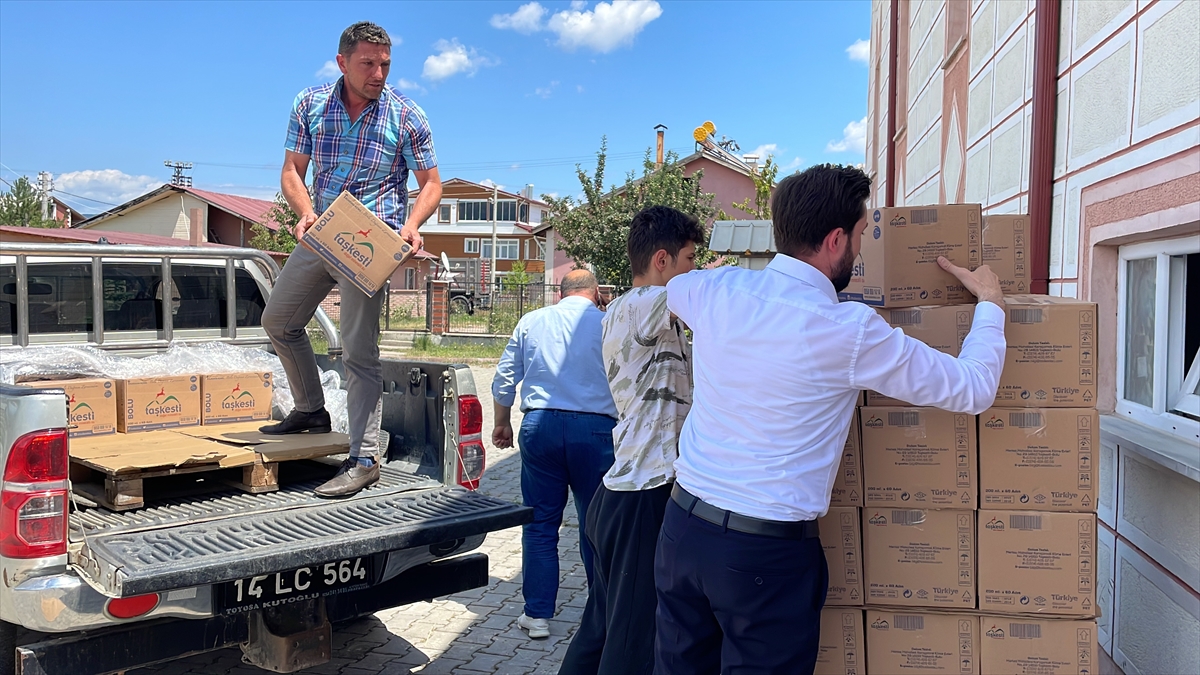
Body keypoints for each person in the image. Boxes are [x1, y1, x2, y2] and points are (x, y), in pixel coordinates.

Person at [654, 164, 1007, 675]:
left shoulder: (713, 291)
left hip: (682, 532)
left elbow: (676, 290)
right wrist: (992, 307)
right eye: (862, 235)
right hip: (761, 558)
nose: (862, 250)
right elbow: (973, 388)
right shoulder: (850, 331)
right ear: (836, 239)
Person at [260, 21, 442, 498]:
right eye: (368, 64)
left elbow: (432, 184)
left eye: (385, 64)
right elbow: (292, 172)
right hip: (322, 231)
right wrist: (304, 214)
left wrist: (411, 226)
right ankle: (310, 410)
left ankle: (363, 458)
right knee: (278, 320)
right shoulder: (310, 104)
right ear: (342, 62)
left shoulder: (406, 115)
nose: (378, 73)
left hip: (373, 240)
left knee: (360, 352)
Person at [559, 206, 704, 675]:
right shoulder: (645, 304)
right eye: (689, 259)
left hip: (621, 494)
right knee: (632, 646)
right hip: (644, 495)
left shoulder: (639, 311)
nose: (694, 270)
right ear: (662, 260)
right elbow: (716, 292)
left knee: (601, 630)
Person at [492, 270, 617, 640]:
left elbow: (503, 379)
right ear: (596, 293)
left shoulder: (532, 320)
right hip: (595, 432)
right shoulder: (609, 322)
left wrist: (502, 424)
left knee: (541, 524)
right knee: (596, 524)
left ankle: (538, 616)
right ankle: (603, 613)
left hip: (540, 427)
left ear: (559, 294)